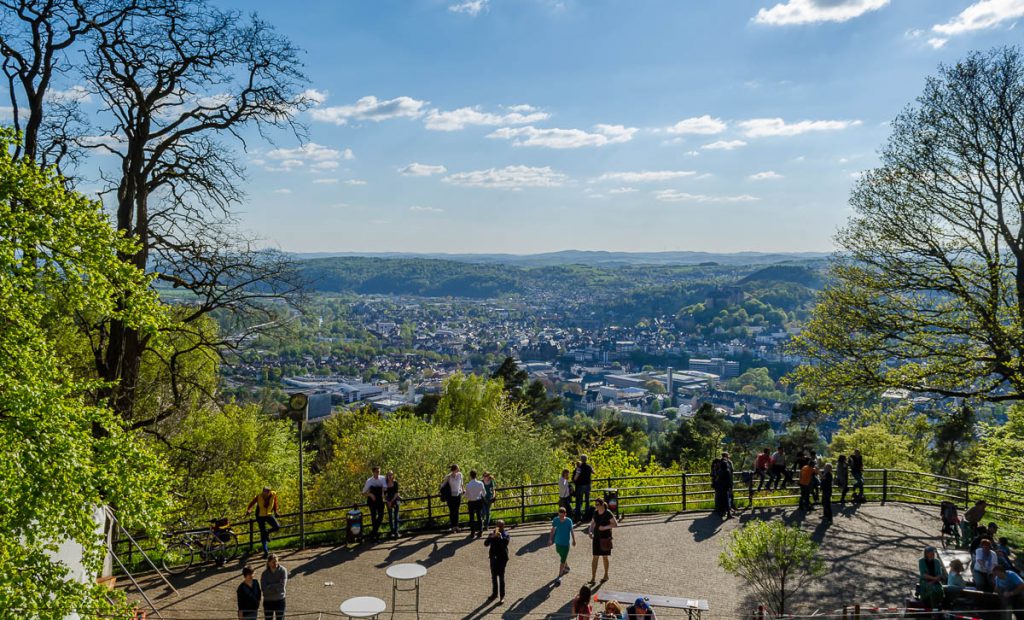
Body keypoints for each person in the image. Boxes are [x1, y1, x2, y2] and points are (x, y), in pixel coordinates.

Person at [245, 486, 280, 558]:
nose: (264, 494)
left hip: (268, 514)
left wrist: (276, 511)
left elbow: (275, 503)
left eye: (266, 493)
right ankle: (266, 551)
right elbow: (251, 504)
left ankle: (267, 532)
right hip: (260, 516)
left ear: (269, 492)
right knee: (262, 534)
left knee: (277, 527)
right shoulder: (259, 497)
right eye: (263, 492)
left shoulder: (273, 495)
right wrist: (249, 510)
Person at [589, 497, 618, 583]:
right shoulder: (595, 512)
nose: (596, 506)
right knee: (595, 557)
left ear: (602, 504)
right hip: (596, 538)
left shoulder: (608, 513)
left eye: (597, 504)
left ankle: (606, 575)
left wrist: (605, 527)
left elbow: (615, 524)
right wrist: (590, 531)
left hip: (605, 538)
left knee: (605, 557)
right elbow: (592, 523)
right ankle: (593, 578)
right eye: (595, 504)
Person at [549, 506, 577, 585]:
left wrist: (574, 540)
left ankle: (559, 576)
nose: (561, 517)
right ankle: (566, 567)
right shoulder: (556, 520)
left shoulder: (569, 521)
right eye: (559, 515)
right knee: (561, 555)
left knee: (562, 560)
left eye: (562, 515)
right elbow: (553, 529)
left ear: (565, 514)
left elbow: (572, 531)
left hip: (565, 544)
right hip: (557, 542)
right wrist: (550, 539)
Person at [484, 520, 510, 604]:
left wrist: (500, 537)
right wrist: (492, 537)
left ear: (503, 527)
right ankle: (494, 594)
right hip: (493, 558)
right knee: (494, 577)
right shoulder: (492, 534)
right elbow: (486, 544)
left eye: (501, 526)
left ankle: (502, 596)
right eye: (498, 526)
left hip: (502, 559)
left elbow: (504, 545)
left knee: (501, 578)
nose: (499, 528)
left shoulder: (506, 535)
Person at [361, 465, 386, 541]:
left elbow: (385, 487)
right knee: (373, 516)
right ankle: (375, 534)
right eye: (377, 471)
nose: (378, 473)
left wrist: (382, 493)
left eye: (379, 471)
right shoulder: (369, 481)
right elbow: (363, 492)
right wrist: (370, 494)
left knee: (381, 516)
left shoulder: (383, 478)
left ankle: (373, 533)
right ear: (373, 472)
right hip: (372, 500)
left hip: (380, 499)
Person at [260, 553, 287, 620]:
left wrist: (269, 586)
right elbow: (263, 588)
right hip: (268, 602)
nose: (275, 564)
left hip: (280, 600)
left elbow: (282, 585)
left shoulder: (283, 571)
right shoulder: (264, 574)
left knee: (280, 618)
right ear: (268, 563)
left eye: (277, 561)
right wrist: (276, 588)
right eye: (273, 562)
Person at [918, 546, 946, 610]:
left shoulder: (937, 562)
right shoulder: (921, 561)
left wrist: (934, 580)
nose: (933, 554)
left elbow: (939, 574)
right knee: (932, 590)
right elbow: (923, 574)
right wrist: (934, 579)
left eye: (933, 553)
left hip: (935, 581)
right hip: (925, 581)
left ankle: (939, 606)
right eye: (931, 553)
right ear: (927, 553)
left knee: (940, 590)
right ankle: (934, 608)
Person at [441, 464, 465, 533]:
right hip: (450, 496)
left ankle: (457, 526)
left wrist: (463, 490)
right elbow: (442, 485)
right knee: (452, 511)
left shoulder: (460, 475)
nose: (459, 470)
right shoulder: (448, 477)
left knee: (456, 511)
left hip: (458, 495)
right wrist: (444, 492)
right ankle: (453, 527)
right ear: (454, 469)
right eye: (457, 468)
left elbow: (462, 484)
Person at [465, 470, 486, 537]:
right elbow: (484, 493)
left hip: (471, 502)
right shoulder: (480, 483)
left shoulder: (468, 485)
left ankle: (472, 532)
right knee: (479, 516)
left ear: (470, 476)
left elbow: (466, 496)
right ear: (476, 475)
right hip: (478, 501)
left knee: (472, 517)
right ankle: (480, 531)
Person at [574, 455, 594, 522]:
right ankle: (587, 516)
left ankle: (578, 517)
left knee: (579, 500)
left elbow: (576, 477)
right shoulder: (589, 466)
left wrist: (574, 480)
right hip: (588, 485)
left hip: (581, 485)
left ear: (581, 460)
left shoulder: (579, 467)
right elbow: (593, 472)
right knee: (587, 500)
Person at [384, 470, 401, 539]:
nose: (390, 476)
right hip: (388, 501)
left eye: (391, 475)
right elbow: (384, 494)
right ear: (387, 476)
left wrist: (392, 501)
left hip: (395, 500)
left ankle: (396, 531)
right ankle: (392, 532)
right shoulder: (385, 483)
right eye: (388, 475)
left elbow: (396, 493)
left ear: (393, 475)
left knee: (396, 516)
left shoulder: (395, 483)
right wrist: (388, 501)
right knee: (390, 516)